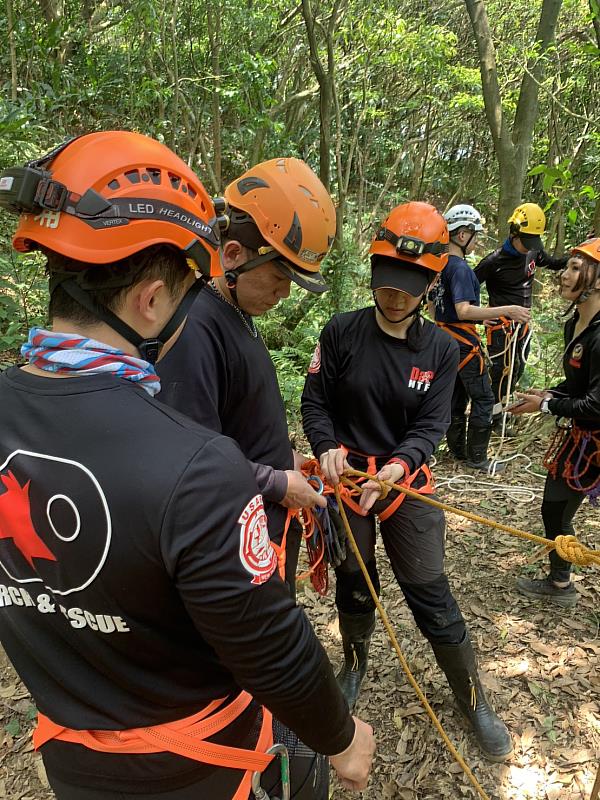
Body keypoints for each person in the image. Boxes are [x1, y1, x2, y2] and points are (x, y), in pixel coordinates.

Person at [0, 131, 375, 800]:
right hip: (193, 767)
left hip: (75, 759)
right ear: (150, 299)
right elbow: (268, 646)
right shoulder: (197, 468)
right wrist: (342, 738)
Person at [301, 201, 513, 762]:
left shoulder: (441, 348)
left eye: (410, 285)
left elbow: (432, 424)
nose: (394, 295)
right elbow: (315, 400)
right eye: (387, 281)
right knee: (356, 577)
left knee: (429, 592)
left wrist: (396, 468)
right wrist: (325, 447)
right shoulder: (342, 332)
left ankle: (472, 699)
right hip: (347, 482)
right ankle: (354, 661)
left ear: (429, 283)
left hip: (404, 482)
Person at [157, 157, 335, 598]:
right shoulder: (196, 328)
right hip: (236, 540)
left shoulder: (234, 312)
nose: (286, 292)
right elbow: (187, 458)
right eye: (279, 276)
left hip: (262, 521)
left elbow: (238, 413)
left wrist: (283, 458)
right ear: (233, 255)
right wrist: (276, 482)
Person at [510, 237, 600, 608]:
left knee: (557, 508)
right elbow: (576, 386)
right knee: (553, 507)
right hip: (581, 436)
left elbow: (596, 403)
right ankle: (560, 580)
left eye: (576, 268)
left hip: (592, 437)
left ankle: (562, 581)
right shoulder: (576, 325)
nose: (564, 274)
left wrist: (549, 406)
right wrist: (548, 394)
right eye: (568, 266)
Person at [430, 204, 530, 470]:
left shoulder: (439, 266)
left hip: (444, 342)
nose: (478, 241)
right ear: (462, 235)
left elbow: (436, 309)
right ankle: (477, 459)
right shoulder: (461, 268)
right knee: (484, 398)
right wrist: (509, 309)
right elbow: (463, 309)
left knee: (456, 397)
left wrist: (478, 316)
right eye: (476, 235)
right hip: (464, 345)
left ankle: (458, 451)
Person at [475, 203, 567, 431]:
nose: (529, 248)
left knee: (517, 368)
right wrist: (479, 317)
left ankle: (505, 411)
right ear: (514, 232)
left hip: (523, 324)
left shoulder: (533, 251)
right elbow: (467, 289)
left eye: (532, 242)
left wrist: (578, 254)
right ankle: (494, 419)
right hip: (501, 326)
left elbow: (554, 264)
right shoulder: (493, 261)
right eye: (525, 242)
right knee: (500, 370)